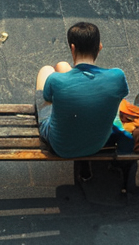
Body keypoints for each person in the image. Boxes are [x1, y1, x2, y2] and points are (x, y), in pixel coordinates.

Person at [35, 21, 129, 163]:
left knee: (46, 70)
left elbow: (47, 98)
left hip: (60, 147)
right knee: (63, 66)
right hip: (96, 145)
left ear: (72, 48)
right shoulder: (117, 76)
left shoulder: (55, 80)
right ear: (99, 47)